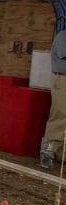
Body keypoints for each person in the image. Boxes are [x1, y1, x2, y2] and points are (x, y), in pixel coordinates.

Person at [41, 27, 66, 168]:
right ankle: (48, 152)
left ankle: (61, 153)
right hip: (62, 79)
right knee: (61, 114)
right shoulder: (63, 36)